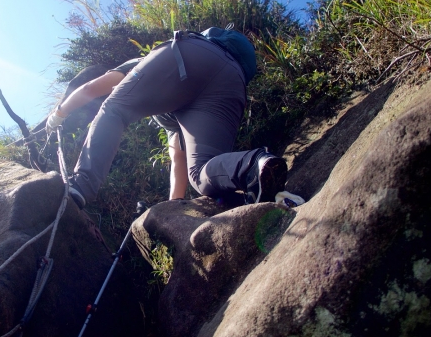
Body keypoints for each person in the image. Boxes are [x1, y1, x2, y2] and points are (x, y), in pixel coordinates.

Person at [46, 28, 287, 209]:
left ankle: (81, 186)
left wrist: (59, 113)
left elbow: (90, 89)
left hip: (188, 53)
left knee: (115, 109)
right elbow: (178, 156)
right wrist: (175, 205)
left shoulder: (143, 63)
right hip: (233, 81)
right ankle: (253, 166)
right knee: (201, 173)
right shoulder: (175, 117)